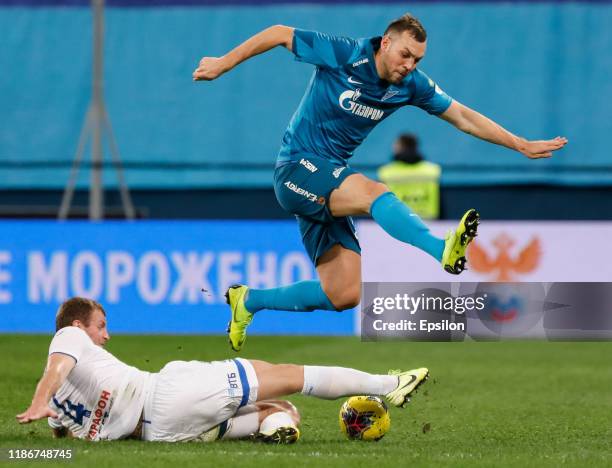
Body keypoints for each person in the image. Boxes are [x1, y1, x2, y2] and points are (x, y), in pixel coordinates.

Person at [192, 14, 567, 352]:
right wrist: (223, 64)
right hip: (295, 169)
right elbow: (278, 33)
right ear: (385, 43)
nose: (410, 65)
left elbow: (464, 117)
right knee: (376, 194)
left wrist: (519, 143)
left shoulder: (411, 86)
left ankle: (248, 300)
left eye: (417, 60)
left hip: (328, 181)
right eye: (405, 55)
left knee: (344, 294)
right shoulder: (343, 53)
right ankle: (440, 250)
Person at [16, 297, 429, 444]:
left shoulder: (64, 401)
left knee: (280, 407)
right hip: (164, 394)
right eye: (100, 326)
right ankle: (390, 384)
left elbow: (62, 429)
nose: (105, 336)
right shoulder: (68, 340)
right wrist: (38, 401)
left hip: (161, 434)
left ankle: (274, 428)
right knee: (289, 373)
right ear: (77, 326)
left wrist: (50, 421)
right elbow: (55, 368)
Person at [378, 133, 442, 219]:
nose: (393, 147)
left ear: (401, 147)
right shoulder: (432, 170)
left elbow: (381, 202)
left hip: (398, 219)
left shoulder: (387, 172)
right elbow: (440, 201)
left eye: (396, 144)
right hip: (427, 221)